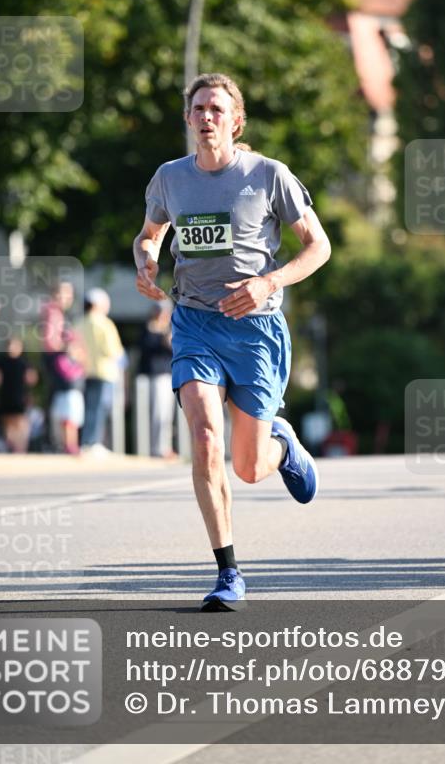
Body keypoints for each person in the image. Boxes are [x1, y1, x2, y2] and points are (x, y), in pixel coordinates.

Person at [133, 72, 331, 610]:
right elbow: (150, 235)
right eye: (198, 109)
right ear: (188, 119)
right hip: (194, 322)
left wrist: (270, 281)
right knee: (202, 439)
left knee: (246, 466)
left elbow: (319, 246)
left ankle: (282, 444)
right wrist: (147, 262)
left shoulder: (269, 175)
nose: (206, 117)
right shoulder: (170, 179)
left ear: (236, 120)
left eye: (217, 109)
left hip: (256, 330)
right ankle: (228, 572)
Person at [76, 288, 125, 455]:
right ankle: (94, 443)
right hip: (105, 372)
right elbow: (114, 351)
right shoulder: (104, 323)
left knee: (89, 408)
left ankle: (86, 442)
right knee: (99, 408)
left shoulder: (80, 323)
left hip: (86, 372)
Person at [40, 281, 84, 454]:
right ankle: (66, 444)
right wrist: (69, 348)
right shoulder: (53, 312)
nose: (68, 298)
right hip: (60, 365)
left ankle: (61, 443)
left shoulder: (55, 312)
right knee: (67, 402)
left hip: (58, 363)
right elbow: (51, 342)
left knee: (60, 402)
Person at [138, 302, 175, 457]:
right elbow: (146, 349)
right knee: (157, 415)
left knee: (167, 415)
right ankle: (156, 448)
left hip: (168, 376)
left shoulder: (171, 331)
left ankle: (164, 446)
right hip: (154, 377)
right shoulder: (147, 329)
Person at [0, 337, 38, 453]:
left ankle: (21, 449)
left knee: (21, 423)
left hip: (20, 397)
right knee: (8, 423)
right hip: (6, 396)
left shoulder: (24, 362)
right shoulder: (1, 361)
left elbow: (32, 380)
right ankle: (12, 447)